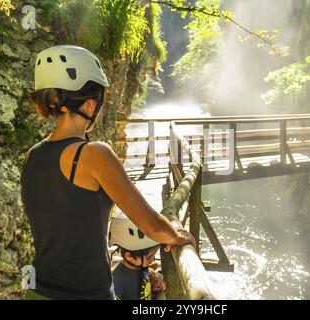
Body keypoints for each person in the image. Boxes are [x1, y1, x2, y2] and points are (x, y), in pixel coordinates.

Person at [20, 45, 195, 300]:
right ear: (91, 105)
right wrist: (177, 235)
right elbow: (151, 224)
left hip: (37, 293)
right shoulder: (94, 154)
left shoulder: (32, 155)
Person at [109, 209, 167, 300]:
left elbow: (142, 292)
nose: (153, 260)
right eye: (149, 257)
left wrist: (153, 289)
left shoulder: (143, 268)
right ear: (129, 257)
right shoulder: (118, 279)